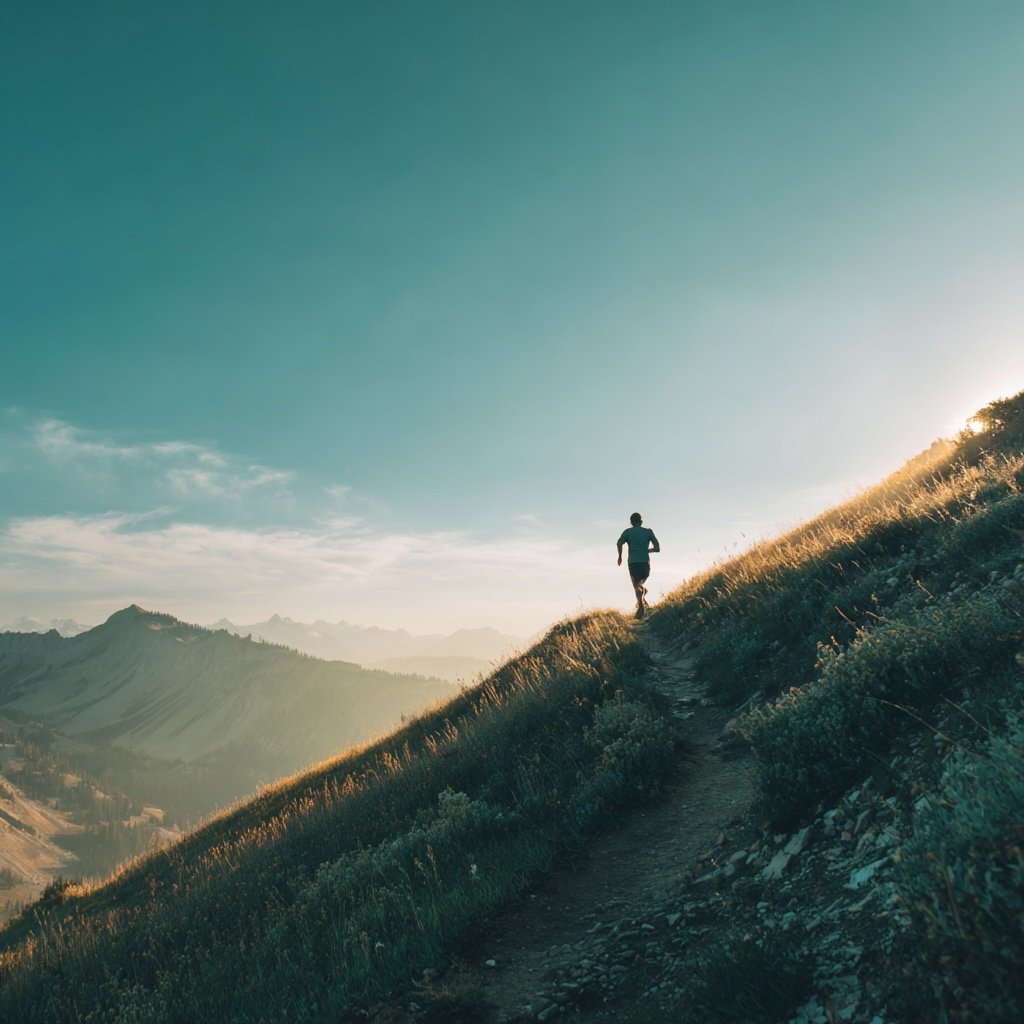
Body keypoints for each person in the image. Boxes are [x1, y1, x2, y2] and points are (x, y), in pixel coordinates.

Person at [616, 512, 660, 619]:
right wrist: (646, 550)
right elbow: (657, 548)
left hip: (633, 562)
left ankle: (641, 607)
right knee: (639, 585)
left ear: (631, 522)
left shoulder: (628, 532)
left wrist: (620, 556)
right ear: (641, 521)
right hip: (645, 563)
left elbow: (619, 543)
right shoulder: (648, 532)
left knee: (636, 586)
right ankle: (642, 595)